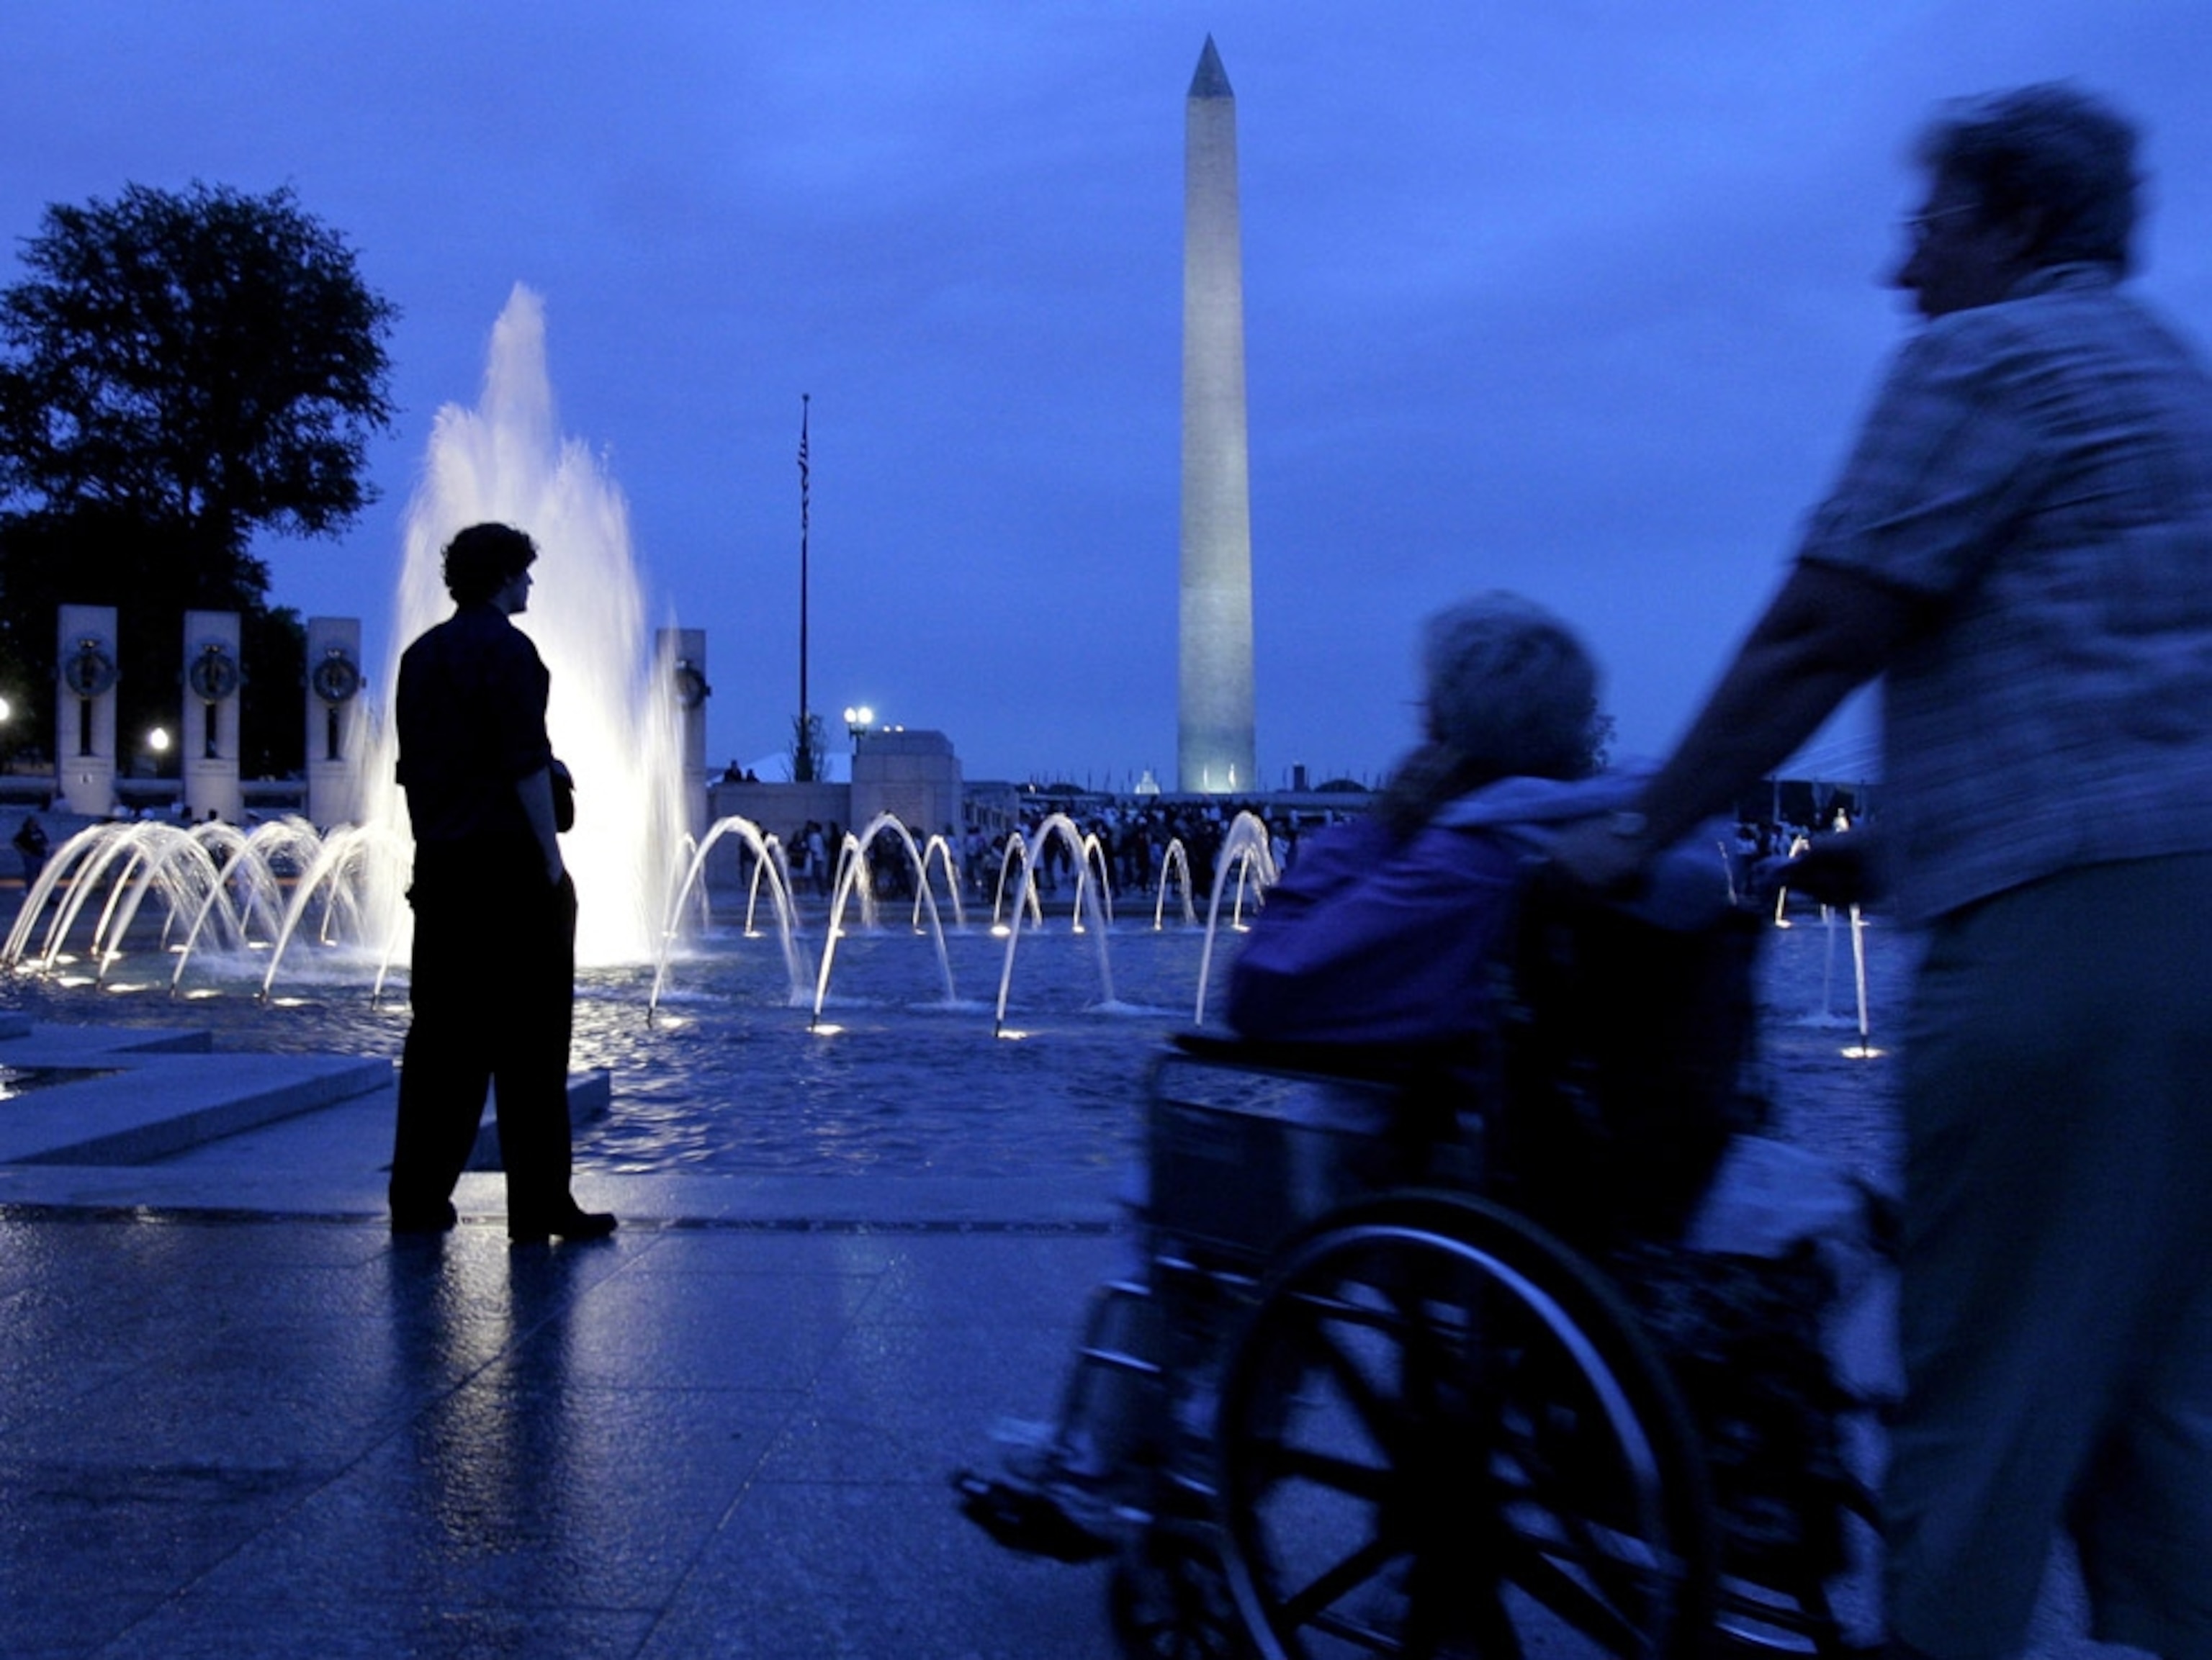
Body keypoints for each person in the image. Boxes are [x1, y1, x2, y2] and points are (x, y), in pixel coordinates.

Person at [1555, 86, 2212, 1660]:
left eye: (1925, 224)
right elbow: (2119, 679)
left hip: (2061, 946)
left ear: (2015, 219)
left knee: (1980, 1386)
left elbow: (1821, 628)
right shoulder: (2174, 385)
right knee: (2162, 1388)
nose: (1896, 268)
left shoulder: (1989, 357)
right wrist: (1886, 847)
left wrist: (1641, 831)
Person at [387, 522, 615, 1245]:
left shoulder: (419, 655)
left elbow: (414, 772)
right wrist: (550, 863)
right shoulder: (511, 652)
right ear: (503, 577)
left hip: (443, 874)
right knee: (532, 1047)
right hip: (512, 876)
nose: (532, 585)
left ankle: (418, 1196)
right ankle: (540, 1203)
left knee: (440, 1045)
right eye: (525, 572)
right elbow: (524, 764)